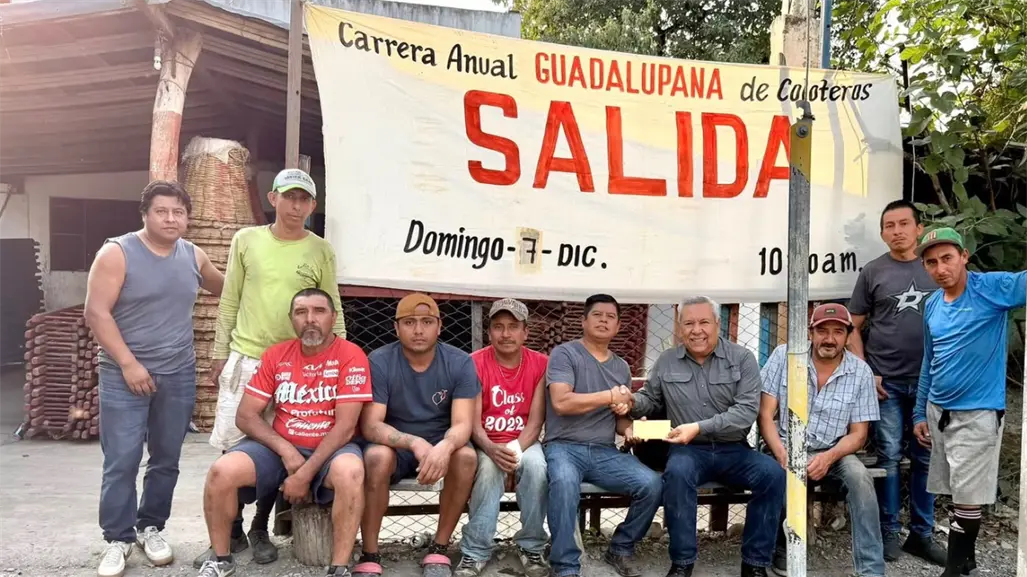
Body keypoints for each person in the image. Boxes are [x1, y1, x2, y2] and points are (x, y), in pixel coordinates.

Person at [195, 168, 347, 568]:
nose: (296, 206)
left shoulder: (320, 250)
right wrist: (219, 353)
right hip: (248, 356)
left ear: (312, 206)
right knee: (233, 447)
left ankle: (260, 525)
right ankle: (229, 532)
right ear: (272, 198)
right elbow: (229, 299)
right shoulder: (246, 240)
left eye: (304, 199)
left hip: (299, 366)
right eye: (289, 197)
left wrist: (341, 356)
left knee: (280, 444)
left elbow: (332, 304)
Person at [85, 180, 224, 577]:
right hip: (123, 372)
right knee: (122, 458)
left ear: (187, 218)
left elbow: (230, 291)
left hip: (177, 371)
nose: (170, 218)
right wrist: (129, 363)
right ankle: (118, 538)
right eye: (162, 211)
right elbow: (96, 313)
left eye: (178, 212)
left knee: (166, 457)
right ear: (145, 213)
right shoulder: (117, 253)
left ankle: (150, 527)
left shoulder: (192, 256)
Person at [196, 288, 371, 577]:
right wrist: (287, 451)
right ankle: (221, 558)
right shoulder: (277, 355)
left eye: (319, 311)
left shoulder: (351, 355)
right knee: (221, 471)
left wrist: (303, 474)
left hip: (331, 449)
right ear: (292, 319)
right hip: (281, 448)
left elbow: (345, 427)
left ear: (333, 317)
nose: (310, 319)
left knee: (351, 472)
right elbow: (246, 415)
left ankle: (339, 567)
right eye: (301, 313)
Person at [627, 296, 782, 577]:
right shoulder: (667, 360)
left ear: (717, 324)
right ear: (680, 327)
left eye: (703, 322)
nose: (696, 330)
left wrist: (698, 427)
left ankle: (755, 564)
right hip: (689, 451)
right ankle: (682, 563)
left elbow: (746, 412)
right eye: (688, 323)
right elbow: (650, 398)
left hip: (733, 449)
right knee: (677, 472)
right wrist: (631, 402)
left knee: (772, 475)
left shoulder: (742, 359)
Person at [912, 227, 1026, 577]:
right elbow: (930, 360)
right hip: (938, 409)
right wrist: (920, 411)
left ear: (964, 256)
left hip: (977, 411)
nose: (940, 268)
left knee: (967, 496)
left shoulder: (990, 289)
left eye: (947, 258)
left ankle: (953, 570)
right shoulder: (932, 304)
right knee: (955, 490)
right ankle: (969, 564)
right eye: (931, 262)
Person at [847, 200, 944, 564]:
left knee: (926, 457)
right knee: (887, 456)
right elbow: (853, 326)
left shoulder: (937, 268)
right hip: (885, 383)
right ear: (882, 232)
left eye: (904, 224)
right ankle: (889, 532)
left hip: (930, 383)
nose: (897, 231)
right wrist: (865, 371)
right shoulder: (873, 272)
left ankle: (922, 534)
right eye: (889, 225)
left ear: (919, 228)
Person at [356, 294, 480, 577]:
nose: (419, 330)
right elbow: (371, 425)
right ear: (396, 327)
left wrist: (445, 446)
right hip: (396, 444)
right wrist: (413, 442)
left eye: (427, 322)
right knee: (375, 456)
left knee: (466, 457)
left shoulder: (459, 362)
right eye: (409, 322)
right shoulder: (380, 360)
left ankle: (439, 548)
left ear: (440, 325)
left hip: (440, 444)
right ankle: (370, 551)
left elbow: (463, 423)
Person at [759, 303, 884, 577]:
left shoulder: (860, 372)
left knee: (860, 478)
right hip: (785, 445)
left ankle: (871, 568)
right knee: (775, 475)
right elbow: (766, 415)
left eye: (838, 331)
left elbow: (859, 435)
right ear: (810, 332)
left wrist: (828, 458)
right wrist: (781, 453)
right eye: (822, 331)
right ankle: (782, 549)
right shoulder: (785, 356)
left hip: (834, 450)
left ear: (849, 335)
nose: (829, 338)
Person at [545, 294, 662, 577]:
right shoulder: (565, 354)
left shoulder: (620, 366)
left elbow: (619, 419)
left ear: (618, 326)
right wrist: (609, 395)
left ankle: (620, 549)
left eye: (611, 317)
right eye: (597, 315)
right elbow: (562, 402)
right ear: (584, 321)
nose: (604, 320)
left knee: (652, 483)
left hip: (603, 451)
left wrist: (631, 429)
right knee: (563, 482)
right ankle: (565, 565)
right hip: (564, 446)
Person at [456, 298, 550, 577]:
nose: (505, 334)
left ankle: (531, 546)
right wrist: (491, 448)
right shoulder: (473, 363)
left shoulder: (541, 364)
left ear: (525, 332)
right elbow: (472, 423)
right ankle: (475, 551)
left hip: (525, 440)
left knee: (537, 467)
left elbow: (535, 423)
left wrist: (513, 450)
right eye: (498, 327)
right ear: (489, 333)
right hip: (485, 441)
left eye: (513, 327)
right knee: (486, 469)